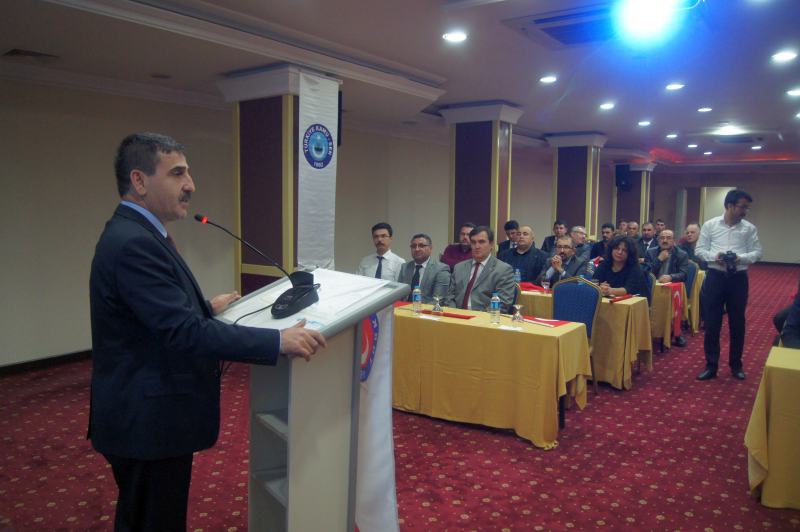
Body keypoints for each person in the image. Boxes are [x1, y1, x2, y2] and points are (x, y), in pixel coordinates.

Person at [89, 133, 327, 531]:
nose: (191, 185)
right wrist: (277, 341)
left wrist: (204, 308)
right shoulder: (134, 243)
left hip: (145, 412)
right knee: (153, 520)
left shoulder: (135, 232)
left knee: (144, 516)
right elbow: (182, 333)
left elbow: (150, 316)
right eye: (178, 173)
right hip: (148, 420)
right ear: (140, 180)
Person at [695, 189, 763, 381]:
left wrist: (740, 258)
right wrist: (714, 256)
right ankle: (711, 365)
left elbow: (757, 253)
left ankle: (736, 365)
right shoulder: (710, 225)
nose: (745, 211)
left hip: (738, 279)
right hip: (715, 277)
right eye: (743, 207)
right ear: (730, 206)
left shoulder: (749, 228)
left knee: (737, 323)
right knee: (712, 323)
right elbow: (699, 250)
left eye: (747, 208)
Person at [444, 225, 516, 313]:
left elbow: (502, 303)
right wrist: (454, 313)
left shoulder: (503, 270)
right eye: (473, 242)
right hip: (458, 316)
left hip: (485, 318)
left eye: (481, 242)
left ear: (491, 244)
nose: (477, 246)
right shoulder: (459, 267)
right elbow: (450, 297)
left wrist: (479, 318)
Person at [645, 229, 690, 347]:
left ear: (673, 240)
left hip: (672, 289)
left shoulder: (682, 254)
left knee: (676, 299)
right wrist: (659, 259)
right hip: (654, 288)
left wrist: (671, 277)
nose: (665, 240)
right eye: (662, 238)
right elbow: (647, 272)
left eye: (668, 238)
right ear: (658, 240)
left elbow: (684, 274)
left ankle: (677, 332)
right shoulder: (651, 252)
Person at [398, 233, 450, 303]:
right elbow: (399, 295)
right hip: (403, 308)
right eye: (413, 246)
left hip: (427, 309)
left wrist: (417, 309)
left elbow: (438, 300)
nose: (417, 249)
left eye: (421, 246)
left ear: (430, 248)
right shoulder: (405, 267)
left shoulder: (441, 269)